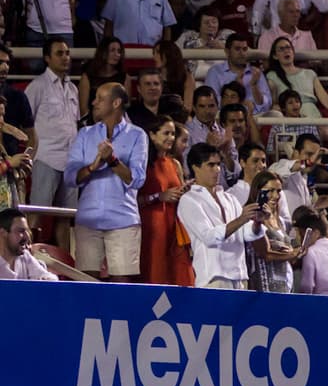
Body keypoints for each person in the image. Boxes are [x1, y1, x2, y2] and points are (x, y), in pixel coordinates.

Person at [65, 83, 146, 281]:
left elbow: (137, 179)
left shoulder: (137, 135)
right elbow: (69, 177)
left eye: (100, 98)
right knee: (86, 285)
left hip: (123, 222)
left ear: (116, 103)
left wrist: (112, 161)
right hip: (88, 220)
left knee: (122, 288)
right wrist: (93, 166)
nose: (94, 102)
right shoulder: (85, 134)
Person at [177, 142, 256, 289]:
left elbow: (247, 233)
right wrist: (241, 219)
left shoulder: (230, 198)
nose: (217, 170)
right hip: (213, 277)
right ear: (195, 167)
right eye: (210, 165)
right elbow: (209, 237)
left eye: (218, 164)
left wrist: (258, 222)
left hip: (240, 276)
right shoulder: (189, 200)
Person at [24, 39, 79, 250]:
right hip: (46, 157)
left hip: (70, 161)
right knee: (37, 213)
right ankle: (25, 257)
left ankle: (65, 266)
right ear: (47, 58)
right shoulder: (37, 86)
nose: (65, 57)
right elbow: (26, 122)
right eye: (59, 53)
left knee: (65, 217)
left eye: (67, 53)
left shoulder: (72, 88)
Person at [137, 116, 193, 287]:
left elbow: (178, 192)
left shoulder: (174, 163)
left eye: (173, 134)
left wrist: (185, 191)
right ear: (152, 135)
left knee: (177, 276)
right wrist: (158, 196)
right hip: (151, 228)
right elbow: (132, 200)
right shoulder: (142, 163)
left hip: (173, 228)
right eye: (166, 133)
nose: (171, 138)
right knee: (154, 274)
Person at [242, 172, 297, 293]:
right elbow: (264, 254)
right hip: (263, 285)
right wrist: (293, 254)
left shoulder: (280, 220)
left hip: (284, 283)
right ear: (258, 191)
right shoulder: (251, 217)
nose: (276, 195)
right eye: (270, 190)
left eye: (278, 191)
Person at [266, 38, 328, 120]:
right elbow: (274, 104)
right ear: (275, 56)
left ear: (293, 52)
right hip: (290, 118)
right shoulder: (272, 76)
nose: (286, 51)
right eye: (281, 49)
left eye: (288, 48)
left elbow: (326, 100)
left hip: (312, 115)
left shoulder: (309, 73)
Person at [77, 36, 126, 121]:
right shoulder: (87, 77)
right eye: (112, 50)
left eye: (119, 51)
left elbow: (125, 106)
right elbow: (83, 109)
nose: (117, 54)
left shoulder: (124, 77)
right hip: (92, 122)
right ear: (103, 52)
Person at [0, 208, 56, 280]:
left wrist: (47, 279)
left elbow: (47, 277)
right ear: (3, 233)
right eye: (21, 231)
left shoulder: (25, 257)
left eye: (27, 231)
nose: (27, 237)